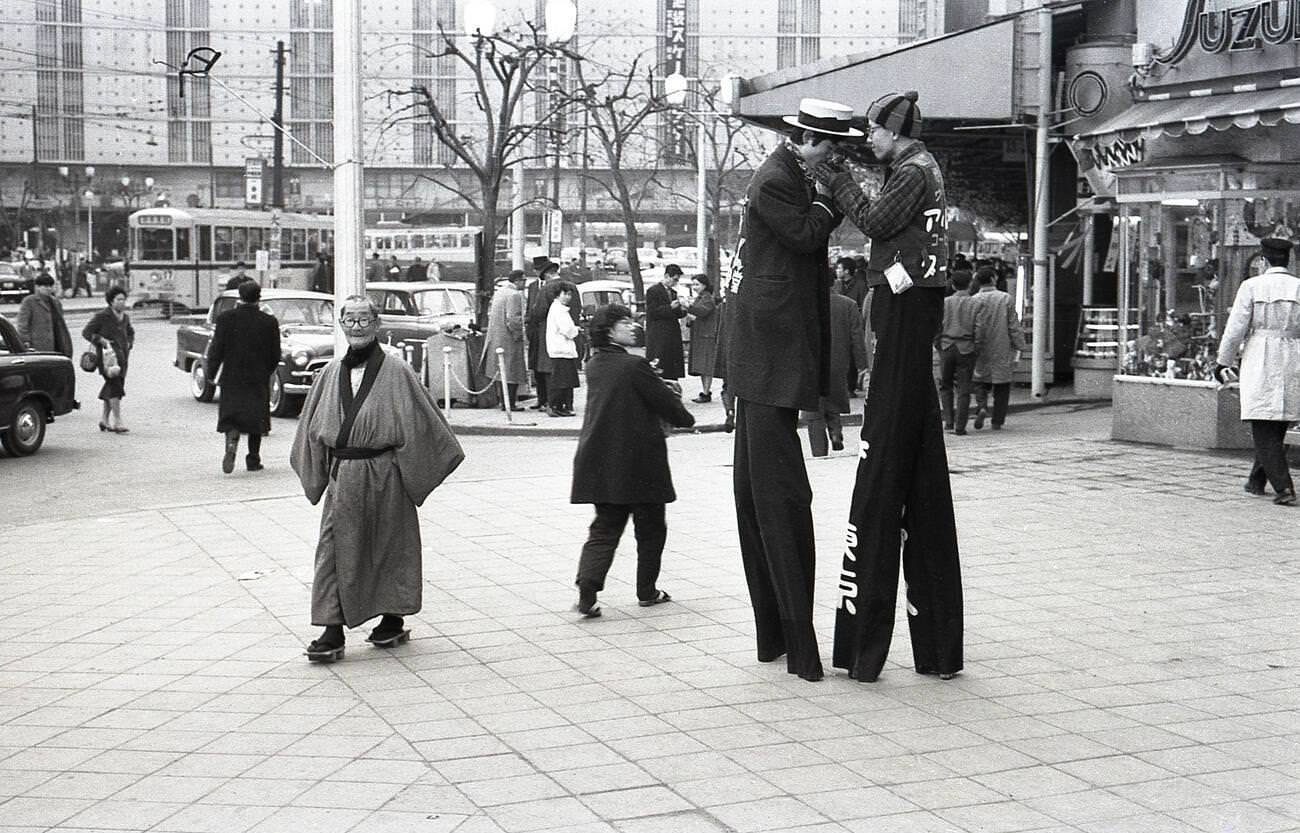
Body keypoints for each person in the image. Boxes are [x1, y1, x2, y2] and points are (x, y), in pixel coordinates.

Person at [814, 89, 963, 683]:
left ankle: (865, 647)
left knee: (889, 433)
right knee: (916, 436)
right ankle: (937, 650)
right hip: (913, 299)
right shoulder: (919, 168)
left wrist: (834, 174)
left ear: (894, 131)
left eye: (874, 131)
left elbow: (874, 220)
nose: (868, 140)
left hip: (908, 304)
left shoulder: (912, 170)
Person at [727, 97, 856, 682]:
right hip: (770, 353)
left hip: (771, 354)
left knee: (762, 495)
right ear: (805, 139)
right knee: (777, 500)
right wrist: (831, 201)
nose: (835, 156)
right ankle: (793, 641)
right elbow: (806, 236)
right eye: (830, 147)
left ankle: (776, 636)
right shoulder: (778, 179)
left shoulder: (789, 172)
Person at [291, 295, 465, 661]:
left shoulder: (398, 371)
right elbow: (309, 429)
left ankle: (392, 618)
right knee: (332, 552)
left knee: (391, 545)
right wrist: (317, 473)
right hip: (343, 477)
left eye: (364, 320)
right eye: (350, 320)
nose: (357, 326)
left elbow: (425, 423)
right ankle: (331, 629)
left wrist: (410, 472)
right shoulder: (328, 375)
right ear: (340, 324)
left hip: (386, 474)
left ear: (376, 323)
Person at [571, 304, 696, 617]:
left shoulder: (596, 365)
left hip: (601, 461)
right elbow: (666, 403)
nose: (632, 326)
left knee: (604, 529)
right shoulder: (633, 366)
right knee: (651, 529)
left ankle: (588, 588)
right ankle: (647, 591)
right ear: (609, 330)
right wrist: (685, 417)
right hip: (640, 463)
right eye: (624, 322)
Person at [1215, 237, 1300, 506]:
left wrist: (1222, 362)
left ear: (1263, 260)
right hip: (1293, 354)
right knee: (1276, 421)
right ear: (1289, 260)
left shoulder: (1252, 286)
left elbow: (1235, 328)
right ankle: (1256, 480)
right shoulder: (1299, 287)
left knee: (1263, 424)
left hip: (1260, 354)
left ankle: (1284, 487)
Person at [206, 280, 281, 473]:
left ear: (240, 296)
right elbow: (275, 354)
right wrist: (267, 370)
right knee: (256, 417)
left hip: (232, 375)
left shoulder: (225, 319)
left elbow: (216, 349)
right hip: (257, 376)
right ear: (259, 297)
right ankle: (253, 459)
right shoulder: (269, 321)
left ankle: (231, 442)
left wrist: (211, 373)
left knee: (232, 414)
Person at [803, 285, 867, 456]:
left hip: (811, 363)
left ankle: (819, 452)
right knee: (834, 398)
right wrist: (862, 364)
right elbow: (857, 337)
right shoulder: (848, 304)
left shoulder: (804, 304)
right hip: (838, 362)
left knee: (814, 408)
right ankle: (836, 433)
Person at [971, 265, 1027, 431]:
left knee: (980, 380)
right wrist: (1020, 345)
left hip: (980, 347)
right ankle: (997, 421)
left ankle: (981, 406)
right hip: (1002, 345)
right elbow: (1013, 325)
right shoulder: (1005, 298)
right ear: (994, 279)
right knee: (1002, 385)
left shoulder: (973, 300)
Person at [82, 285, 135, 434]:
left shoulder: (125, 317)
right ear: (111, 302)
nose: (122, 302)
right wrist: (100, 339)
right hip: (106, 359)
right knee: (115, 387)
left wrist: (130, 342)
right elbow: (87, 332)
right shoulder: (102, 316)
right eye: (119, 300)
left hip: (123, 359)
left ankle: (104, 420)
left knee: (112, 388)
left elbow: (130, 332)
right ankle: (118, 421)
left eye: (124, 299)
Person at [937, 268, 978, 434]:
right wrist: (977, 346)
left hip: (947, 345)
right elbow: (980, 328)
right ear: (970, 284)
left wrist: (938, 344)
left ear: (953, 285)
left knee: (945, 385)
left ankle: (948, 421)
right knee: (964, 388)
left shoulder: (945, 303)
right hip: (967, 347)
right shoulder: (976, 303)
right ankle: (960, 426)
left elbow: (936, 326)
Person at [483, 270, 527, 411]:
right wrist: (520, 335)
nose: (525, 284)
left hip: (497, 337)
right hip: (509, 339)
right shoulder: (514, 295)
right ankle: (510, 403)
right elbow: (513, 319)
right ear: (517, 281)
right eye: (523, 280)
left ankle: (504, 401)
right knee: (512, 372)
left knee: (501, 371)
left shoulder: (501, 292)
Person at [526, 256, 561, 409]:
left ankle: (550, 400)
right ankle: (541, 398)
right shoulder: (533, 286)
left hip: (549, 330)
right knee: (536, 366)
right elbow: (530, 308)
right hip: (535, 331)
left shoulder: (558, 286)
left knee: (547, 366)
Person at [545, 282, 580, 417]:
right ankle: (554, 405)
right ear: (558, 295)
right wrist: (576, 330)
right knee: (561, 380)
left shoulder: (559, 309)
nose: (567, 297)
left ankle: (561, 406)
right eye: (564, 294)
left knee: (565, 380)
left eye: (569, 294)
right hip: (561, 349)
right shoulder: (559, 310)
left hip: (562, 349)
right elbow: (568, 330)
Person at [645, 264, 687, 380]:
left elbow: (676, 313)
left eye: (677, 280)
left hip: (672, 333)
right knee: (660, 362)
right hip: (658, 334)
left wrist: (682, 310)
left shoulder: (673, 293)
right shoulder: (653, 291)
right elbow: (653, 312)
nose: (675, 283)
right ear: (666, 276)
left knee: (671, 362)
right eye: (674, 280)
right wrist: (670, 307)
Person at [16, 273, 73, 356]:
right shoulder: (29, 301)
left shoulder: (55, 302)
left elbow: (60, 324)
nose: (48, 289)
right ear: (38, 287)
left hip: (56, 342)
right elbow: (22, 324)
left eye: (50, 286)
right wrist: (25, 341)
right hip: (37, 345)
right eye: (45, 286)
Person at [685, 273, 720, 402]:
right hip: (700, 335)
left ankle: (706, 392)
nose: (694, 287)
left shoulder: (707, 298)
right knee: (702, 366)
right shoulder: (700, 297)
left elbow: (702, 311)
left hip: (706, 336)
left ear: (704, 285)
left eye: (697, 284)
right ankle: (705, 391)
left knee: (706, 366)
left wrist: (688, 307)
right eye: (693, 284)